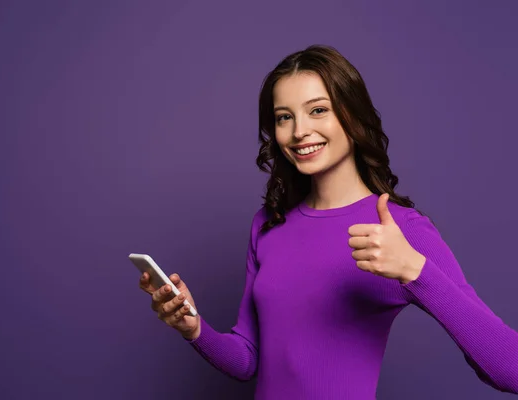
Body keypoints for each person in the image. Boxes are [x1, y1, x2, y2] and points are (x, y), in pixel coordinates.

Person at [138, 44, 518, 399]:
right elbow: (248, 360)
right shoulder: (268, 226)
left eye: (318, 110)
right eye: (284, 117)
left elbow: (509, 369)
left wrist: (415, 270)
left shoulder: (403, 232)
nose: (300, 131)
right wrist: (195, 330)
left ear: (352, 114)